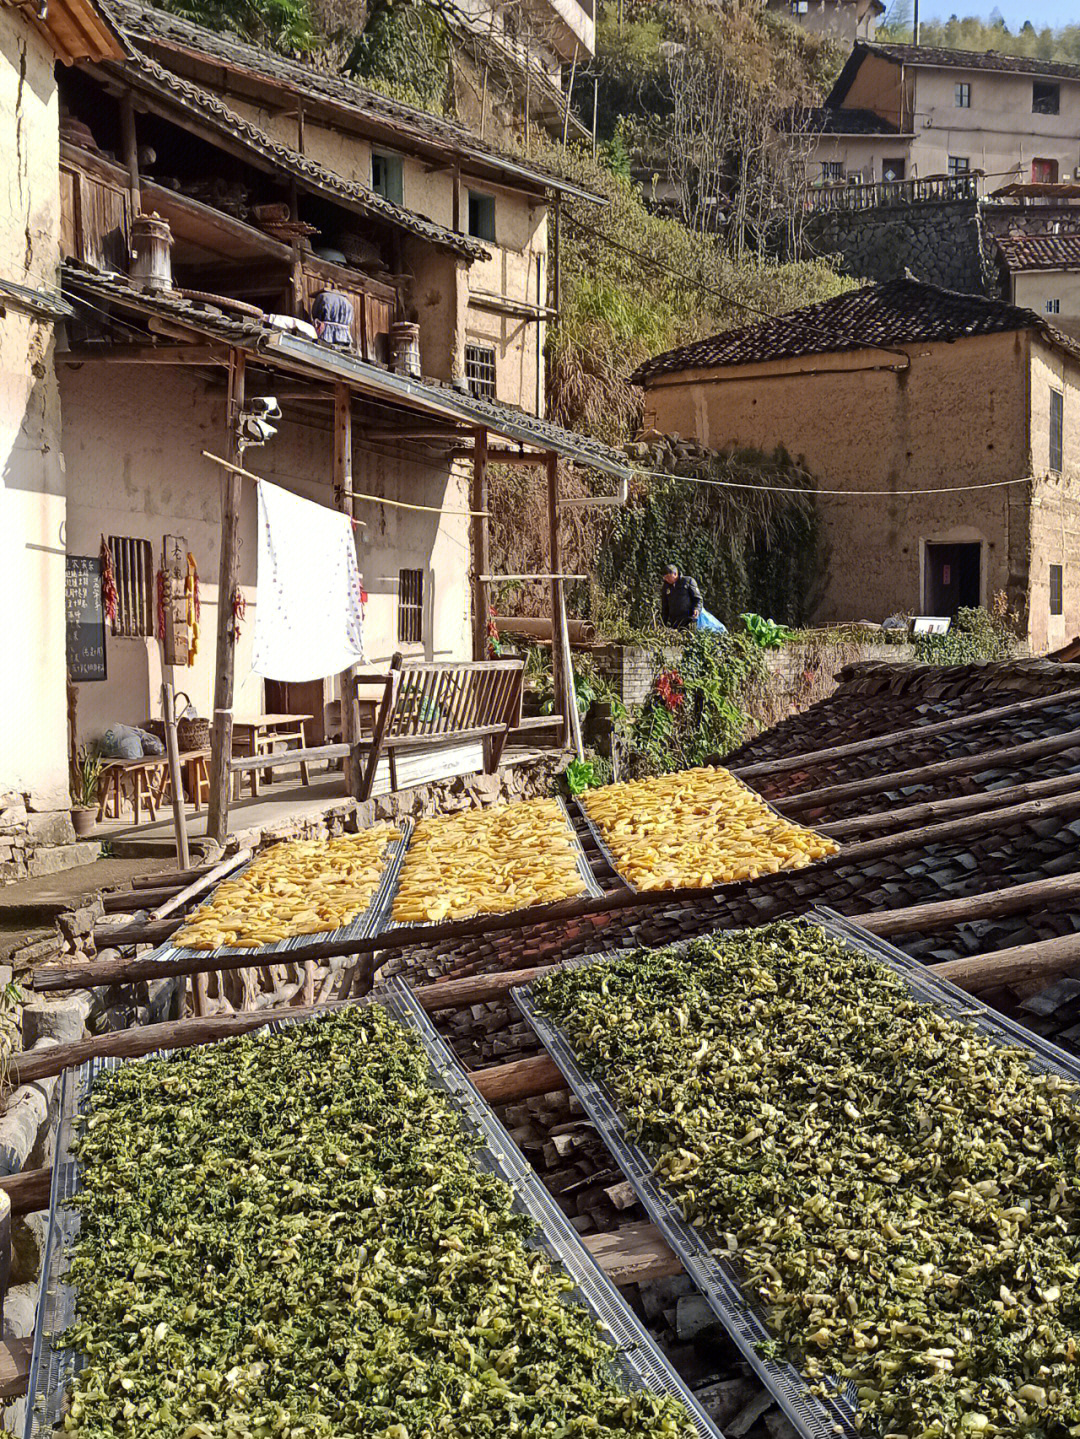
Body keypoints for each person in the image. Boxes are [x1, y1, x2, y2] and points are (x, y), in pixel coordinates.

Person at [660, 563, 703, 629]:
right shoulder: (666, 587)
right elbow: (665, 606)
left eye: (668, 577)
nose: (666, 579)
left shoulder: (687, 581)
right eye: (665, 578)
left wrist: (696, 609)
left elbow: (698, 599)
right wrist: (663, 623)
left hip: (688, 619)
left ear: (675, 574)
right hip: (674, 622)